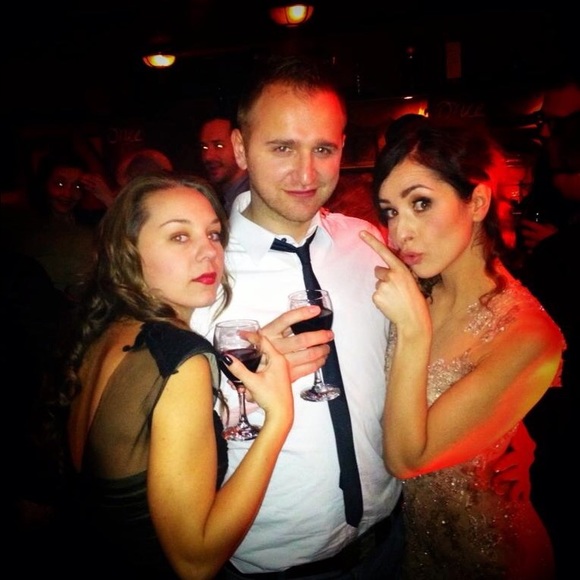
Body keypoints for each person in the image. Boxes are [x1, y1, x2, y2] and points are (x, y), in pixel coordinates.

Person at [191, 55, 529, 579]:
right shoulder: (196, 277)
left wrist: (503, 435)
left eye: (323, 149)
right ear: (240, 148)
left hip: (392, 545)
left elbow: (456, 336)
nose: (306, 173)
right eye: (282, 148)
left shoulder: (371, 244)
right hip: (272, 566)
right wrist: (242, 386)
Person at [51, 173, 294, 578]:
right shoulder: (180, 360)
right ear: (128, 251)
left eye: (213, 235)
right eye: (179, 237)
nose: (209, 253)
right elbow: (195, 562)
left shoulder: (110, 333)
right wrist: (279, 417)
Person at [359, 117, 565, 579]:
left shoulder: (530, 335)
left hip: (489, 553)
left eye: (421, 203)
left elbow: (408, 460)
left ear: (477, 201)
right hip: (409, 548)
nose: (400, 233)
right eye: (390, 211)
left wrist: (414, 331)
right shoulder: (412, 286)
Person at [1, 146, 96, 298]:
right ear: (44, 184)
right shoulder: (27, 228)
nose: (68, 194)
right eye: (59, 184)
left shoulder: (89, 221)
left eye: (77, 186)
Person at [198, 113, 250, 214]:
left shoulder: (252, 201)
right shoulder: (219, 197)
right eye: (204, 147)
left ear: (239, 146)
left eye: (219, 146)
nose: (208, 156)